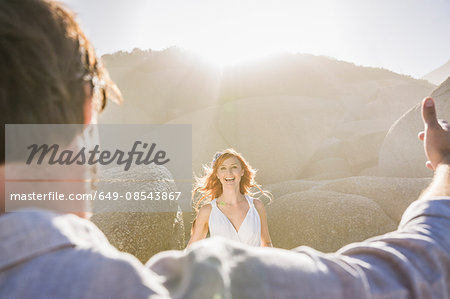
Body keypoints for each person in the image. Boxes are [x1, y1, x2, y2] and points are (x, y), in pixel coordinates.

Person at [1, 0, 449, 298]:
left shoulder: (251, 213)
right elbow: (408, 275)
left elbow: (268, 242)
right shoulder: (189, 284)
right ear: (85, 109)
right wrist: (444, 168)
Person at [187, 149, 273, 247]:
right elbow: (192, 249)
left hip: (254, 263)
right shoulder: (208, 211)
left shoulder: (257, 206)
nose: (229, 172)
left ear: (242, 171)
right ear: (217, 174)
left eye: (234, 167)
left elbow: (266, 243)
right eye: (223, 168)